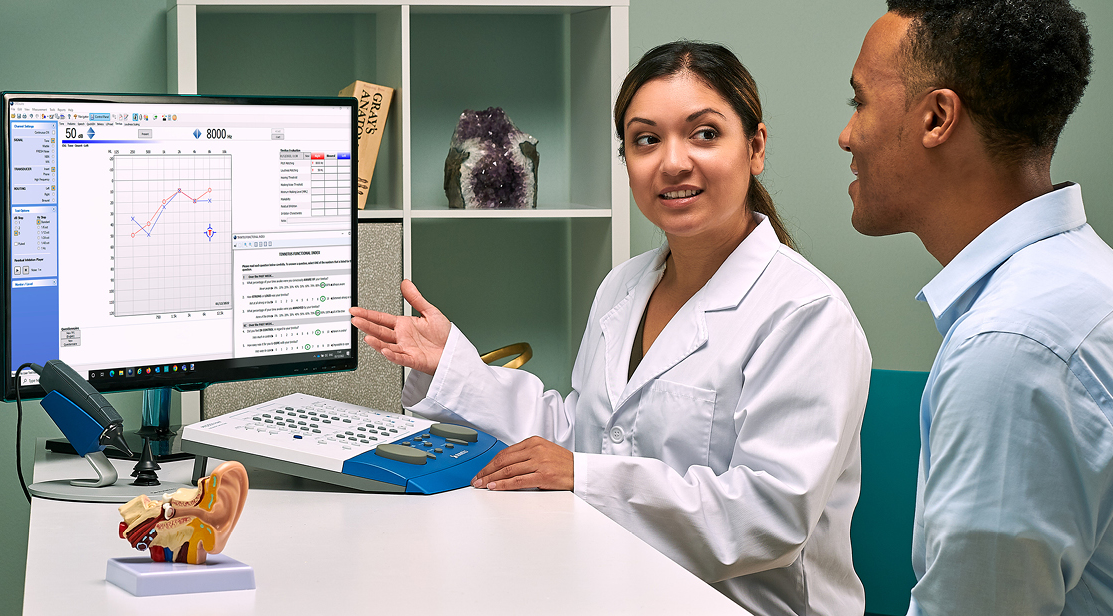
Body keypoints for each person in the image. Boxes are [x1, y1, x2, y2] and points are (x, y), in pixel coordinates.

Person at [352, 41, 872, 616]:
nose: (673, 162)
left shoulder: (805, 311)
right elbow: (583, 434)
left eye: (704, 134)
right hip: (613, 586)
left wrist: (585, 476)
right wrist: (454, 367)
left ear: (755, 148)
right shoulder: (624, 287)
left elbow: (767, 517)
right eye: (646, 140)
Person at [837, 0, 1113, 616]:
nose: (846, 135)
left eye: (858, 100)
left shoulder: (1015, 346)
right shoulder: (1093, 283)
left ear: (935, 118)